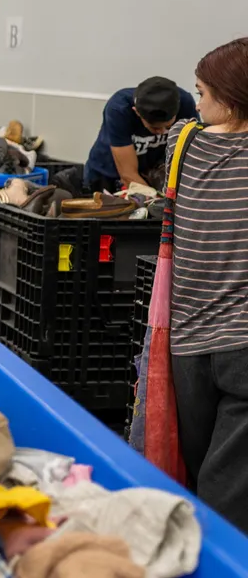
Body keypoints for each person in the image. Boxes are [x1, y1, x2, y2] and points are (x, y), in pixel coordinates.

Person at [165, 38, 248, 532]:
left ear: (229, 95)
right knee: (228, 487)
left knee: (199, 475)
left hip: (187, 340)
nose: (195, 105)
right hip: (241, 342)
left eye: (201, 92)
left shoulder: (184, 141)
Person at [84, 76, 198, 191]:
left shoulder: (185, 103)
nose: (162, 132)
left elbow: (194, 155)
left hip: (150, 172)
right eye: (154, 128)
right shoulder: (119, 108)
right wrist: (157, 201)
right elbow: (128, 175)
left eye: (168, 127)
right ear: (137, 112)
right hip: (108, 176)